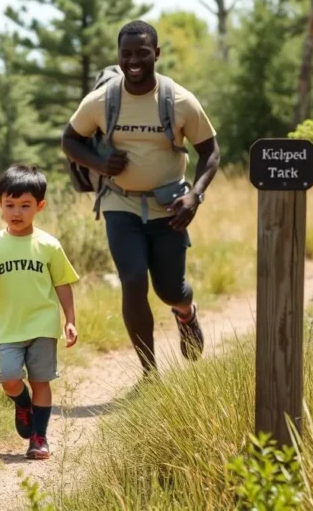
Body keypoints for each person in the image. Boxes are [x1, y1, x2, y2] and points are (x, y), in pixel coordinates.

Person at [61, 20, 220, 377]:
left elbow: (211, 152)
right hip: (121, 203)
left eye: (142, 53)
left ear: (156, 54)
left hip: (170, 207)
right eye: (126, 53)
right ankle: (150, 372)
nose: (134, 60)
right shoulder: (103, 99)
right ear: (118, 56)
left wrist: (194, 196)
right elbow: (69, 140)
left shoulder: (179, 100)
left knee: (170, 289)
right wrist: (100, 163)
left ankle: (185, 312)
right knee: (133, 280)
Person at [0, 164, 79, 460]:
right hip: (10, 328)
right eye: (10, 205)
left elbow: (63, 283)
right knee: (10, 380)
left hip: (43, 325)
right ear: (0, 203)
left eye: (25, 205)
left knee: (41, 380)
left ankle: (39, 438)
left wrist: (70, 320)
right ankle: (22, 403)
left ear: (39, 206)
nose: (16, 212)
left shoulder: (49, 245)